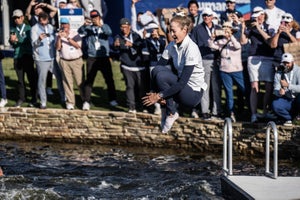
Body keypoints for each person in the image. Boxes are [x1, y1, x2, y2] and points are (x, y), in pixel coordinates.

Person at [142, 15, 206, 133]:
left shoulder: (191, 48)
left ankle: (171, 113)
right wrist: (153, 92)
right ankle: (166, 109)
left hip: (193, 94)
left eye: (174, 31)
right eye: (170, 31)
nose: (171, 34)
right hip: (181, 90)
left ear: (184, 30)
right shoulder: (172, 45)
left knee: (162, 76)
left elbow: (182, 83)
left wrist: (160, 96)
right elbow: (158, 68)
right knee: (156, 71)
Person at [240, 7, 276, 123]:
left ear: (263, 15)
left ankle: (264, 112)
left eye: (259, 15)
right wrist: (243, 28)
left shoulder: (269, 26)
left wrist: (259, 28)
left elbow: (269, 40)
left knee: (269, 87)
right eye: (255, 15)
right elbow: (243, 42)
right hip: (253, 57)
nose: (257, 17)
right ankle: (254, 114)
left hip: (268, 58)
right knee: (255, 86)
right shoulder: (250, 27)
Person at [78, 10, 118, 110]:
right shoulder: (89, 28)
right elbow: (80, 32)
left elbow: (109, 32)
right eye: (93, 17)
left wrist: (100, 25)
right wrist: (84, 25)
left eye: (96, 17)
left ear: (99, 17)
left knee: (109, 79)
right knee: (89, 80)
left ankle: (112, 99)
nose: (94, 19)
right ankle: (86, 101)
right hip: (92, 57)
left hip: (104, 57)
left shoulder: (105, 26)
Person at [208, 21, 245, 122]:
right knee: (229, 93)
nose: (225, 30)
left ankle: (247, 111)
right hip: (224, 70)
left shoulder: (235, 40)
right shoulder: (220, 42)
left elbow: (238, 46)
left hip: (237, 70)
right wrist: (212, 36)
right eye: (224, 28)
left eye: (227, 28)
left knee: (244, 89)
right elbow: (211, 45)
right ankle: (231, 113)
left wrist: (230, 36)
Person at [191, 7, 223, 120]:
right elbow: (193, 45)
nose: (206, 17)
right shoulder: (197, 29)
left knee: (216, 87)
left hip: (217, 60)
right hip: (204, 60)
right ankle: (205, 111)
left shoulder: (219, 28)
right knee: (205, 87)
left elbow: (224, 43)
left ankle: (216, 111)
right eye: (204, 15)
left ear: (212, 17)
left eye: (208, 15)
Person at [113, 18, 146, 113]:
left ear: (130, 27)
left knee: (141, 87)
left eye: (125, 27)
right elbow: (115, 48)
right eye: (122, 27)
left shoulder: (136, 36)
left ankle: (144, 107)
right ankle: (131, 107)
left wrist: (132, 45)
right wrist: (115, 45)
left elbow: (141, 47)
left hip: (139, 66)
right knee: (130, 86)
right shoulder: (118, 37)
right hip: (126, 66)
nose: (124, 29)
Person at [9, 9, 38, 108]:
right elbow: (12, 43)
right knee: (20, 80)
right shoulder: (13, 29)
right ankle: (21, 98)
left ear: (22, 17)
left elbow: (29, 40)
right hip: (17, 56)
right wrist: (11, 41)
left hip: (27, 55)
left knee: (31, 78)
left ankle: (34, 98)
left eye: (18, 18)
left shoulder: (28, 28)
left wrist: (18, 40)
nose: (16, 20)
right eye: (14, 18)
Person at [56, 17, 84, 110]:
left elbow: (77, 46)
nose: (64, 26)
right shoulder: (58, 35)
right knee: (67, 82)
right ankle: (70, 102)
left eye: (65, 24)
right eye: (62, 24)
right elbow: (58, 48)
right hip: (65, 61)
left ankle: (85, 100)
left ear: (69, 25)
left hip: (76, 61)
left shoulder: (75, 34)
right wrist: (60, 38)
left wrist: (67, 38)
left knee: (80, 82)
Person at [31, 12, 56, 109]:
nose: (44, 24)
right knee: (42, 81)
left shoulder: (50, 27)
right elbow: (33, 44)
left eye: (46, 22)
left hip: (53, 57)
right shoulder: (34, 29)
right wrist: (39, 39)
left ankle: (64, 99)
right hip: (41, 59)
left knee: (60, 79)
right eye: (42, 23)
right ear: (39, 20)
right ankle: (43, 102)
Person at [143, 22, 167, 115]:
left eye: (154, 29)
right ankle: (157, 106)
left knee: (164, 85)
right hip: (153, 65)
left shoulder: (162, 39)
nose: (153, 32)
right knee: (154, 85)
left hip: (163, 64)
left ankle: (166, 105)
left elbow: (164, 47)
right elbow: (145, 55)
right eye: (151, 30)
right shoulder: (147, 40)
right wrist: (145, 38)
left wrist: (158, 39)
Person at [272, 53, 300, 126]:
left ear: (292, 62)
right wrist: (279, 92)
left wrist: (288, 86)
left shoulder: (298, 71)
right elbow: (276, 88)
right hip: (286, 98)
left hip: (297, 98)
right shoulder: (279, 72)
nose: (286, 65)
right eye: (284, 63)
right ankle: (288, 118)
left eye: (288, 63)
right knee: (276, 105)